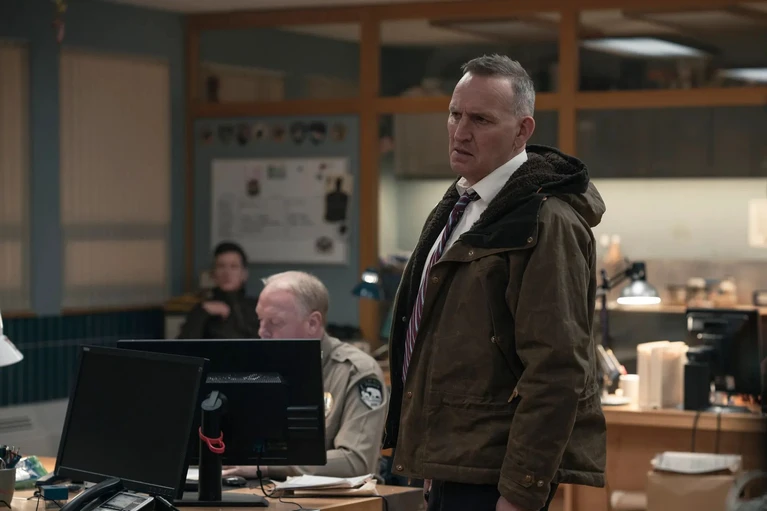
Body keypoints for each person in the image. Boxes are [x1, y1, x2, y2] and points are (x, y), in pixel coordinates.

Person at [383, 54, 607, 511]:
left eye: (480, 120)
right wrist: (430, 457)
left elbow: (558, 369)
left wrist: (521, 492)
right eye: (455, 114)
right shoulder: (460, 205)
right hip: (452, 463)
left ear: (522, 131)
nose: (460, 131)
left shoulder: (545, 220)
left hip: (497, 475)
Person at [222, 271, 388, 479]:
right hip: (260, 487)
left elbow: (355, 461)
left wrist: (266, 467)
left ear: (312, 323)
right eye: (260, 320)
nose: (262, 332)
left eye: (275, 322)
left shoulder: (356, 371)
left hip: (335, 495)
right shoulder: (261, 367)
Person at [178, 241, 260, 339]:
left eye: (233, 266)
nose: (227, 272)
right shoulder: (202, 309)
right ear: (213, 273)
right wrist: (202, 313)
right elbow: (183, 344)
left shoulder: (258, 308)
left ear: (244, 274)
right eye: (221, 266)